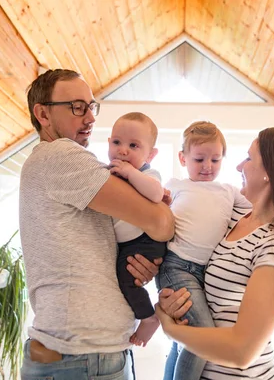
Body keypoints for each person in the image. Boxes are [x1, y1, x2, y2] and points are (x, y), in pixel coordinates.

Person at [19, 69, 174, 380]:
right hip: (84, 358)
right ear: (43, 114)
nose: (89, 117)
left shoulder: (57, 164)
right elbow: (161, 224)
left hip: (79, 354)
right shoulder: (63, 156)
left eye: (92, 106)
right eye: (77, 107)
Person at [156, 127, 274, 379]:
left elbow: (242, 350)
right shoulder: (236, 217)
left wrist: (171, 330)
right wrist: (171, 297)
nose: (237, 167)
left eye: (248, 158)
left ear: (269, 172)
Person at [156, 121, 251, 380]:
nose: (208, 166)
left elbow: (257, 209)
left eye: (215, 159)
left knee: (183, 341)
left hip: (205, 273)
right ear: (182, 158)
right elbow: (154, 217)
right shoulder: (174, 186)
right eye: (199, 159)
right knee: (201, 337)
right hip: (176, 267)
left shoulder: (229, 191)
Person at [108, 112, 167, 347]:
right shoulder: (108, 171)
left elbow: (155, 194)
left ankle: (149, 317)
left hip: (144, 241)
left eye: (133, 145)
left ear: (150, 155)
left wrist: (131, 173)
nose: (123, 150)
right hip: (127, 243)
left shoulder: (146, 173)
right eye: (116, 142)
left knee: (125, 278)